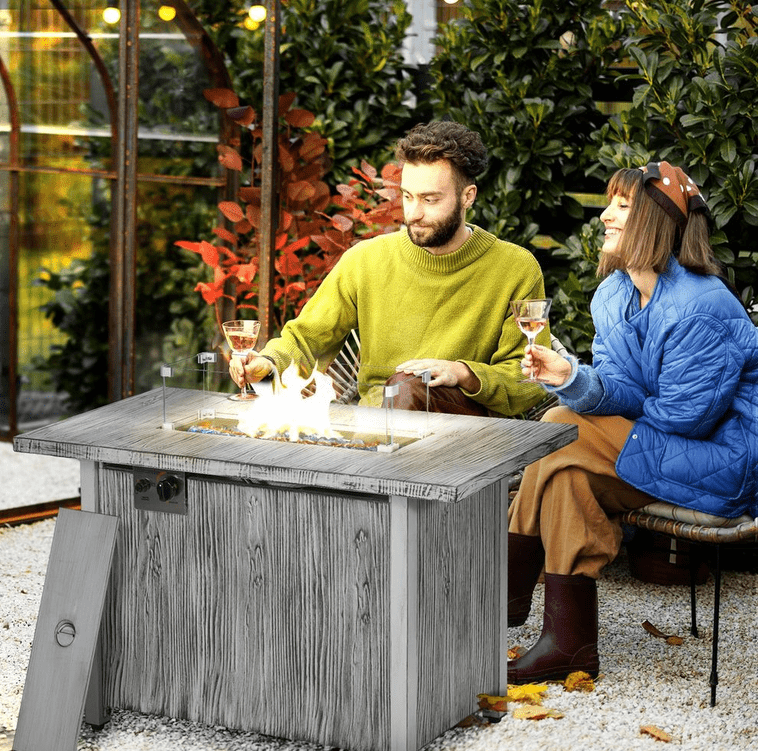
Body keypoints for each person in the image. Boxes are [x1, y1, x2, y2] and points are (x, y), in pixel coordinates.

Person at [506, 160, 758, 684]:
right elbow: (619, 389)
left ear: (653, 220)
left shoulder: (700, 306)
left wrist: (597, 403)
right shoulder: (614, 295)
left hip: (723, 459)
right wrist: (570, 375)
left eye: (621, 206)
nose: (606, 217)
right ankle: (568, 644)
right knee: (567, 471)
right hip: (655, 451)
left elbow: (689, 418)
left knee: (561, 425)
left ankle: (502, 589)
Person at [229, 119, 549, 418]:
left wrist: (462, 372)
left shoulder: (515, 268)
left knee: (408, 385)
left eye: (430, 200)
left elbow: (529, 380)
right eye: (407, 196)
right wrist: (266, 364)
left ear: (468, 196)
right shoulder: (367, 260)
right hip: (374, 433)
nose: (413, 213)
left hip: (465, 440)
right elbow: (305, 338)